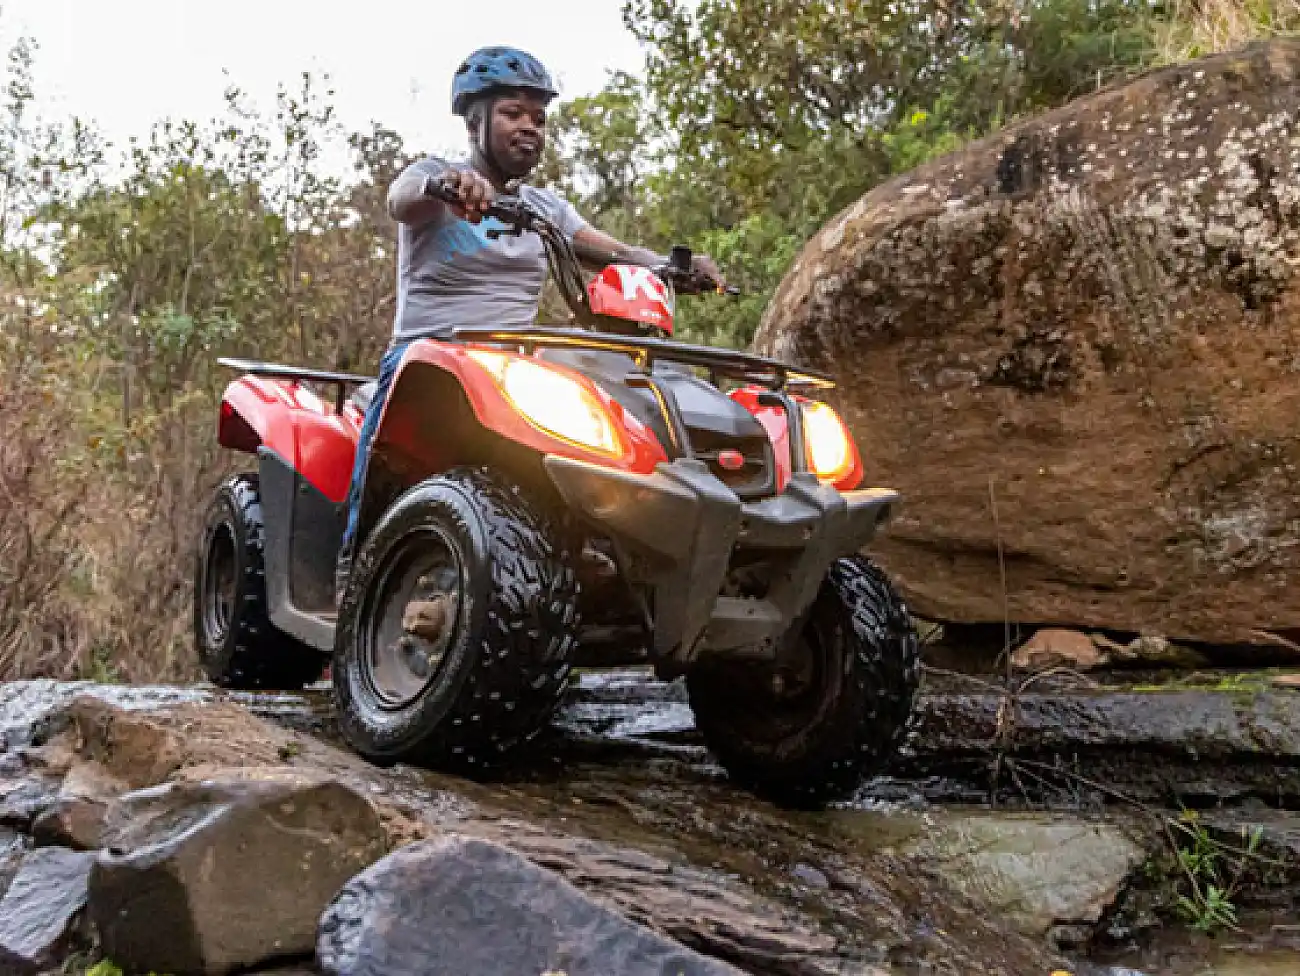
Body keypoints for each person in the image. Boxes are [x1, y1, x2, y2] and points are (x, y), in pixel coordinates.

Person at [336, 45, 724, 602]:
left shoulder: (547, 208)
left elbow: (609, 249)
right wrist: (448, 184)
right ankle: (354, 577)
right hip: (428, 358)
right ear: (476, 120)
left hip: (512, 367)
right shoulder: (433, 178)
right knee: (381, 466)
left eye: (539, 119)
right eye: (514, 114)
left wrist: (670, 267)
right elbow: (401, 198)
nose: (530, 128)